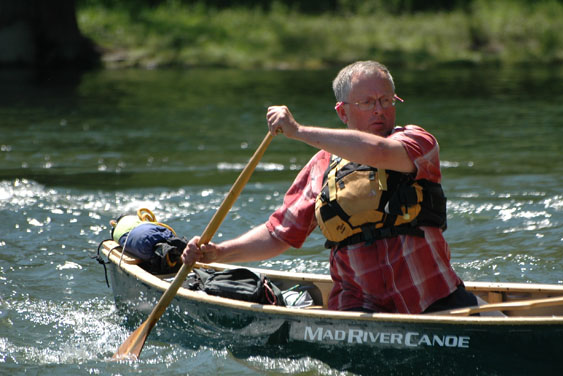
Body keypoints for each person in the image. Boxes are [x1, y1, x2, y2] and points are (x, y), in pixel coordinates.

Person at [182, 60, 477, 314]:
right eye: (367, 102)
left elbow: (378, 153)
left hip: (431, 297)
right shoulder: (321, 165)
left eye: (386, 100)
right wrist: (217, 253)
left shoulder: (417, 142)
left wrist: (297, 131)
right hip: (358, 308)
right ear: (343, 112)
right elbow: (278, 234)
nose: (379, 110)